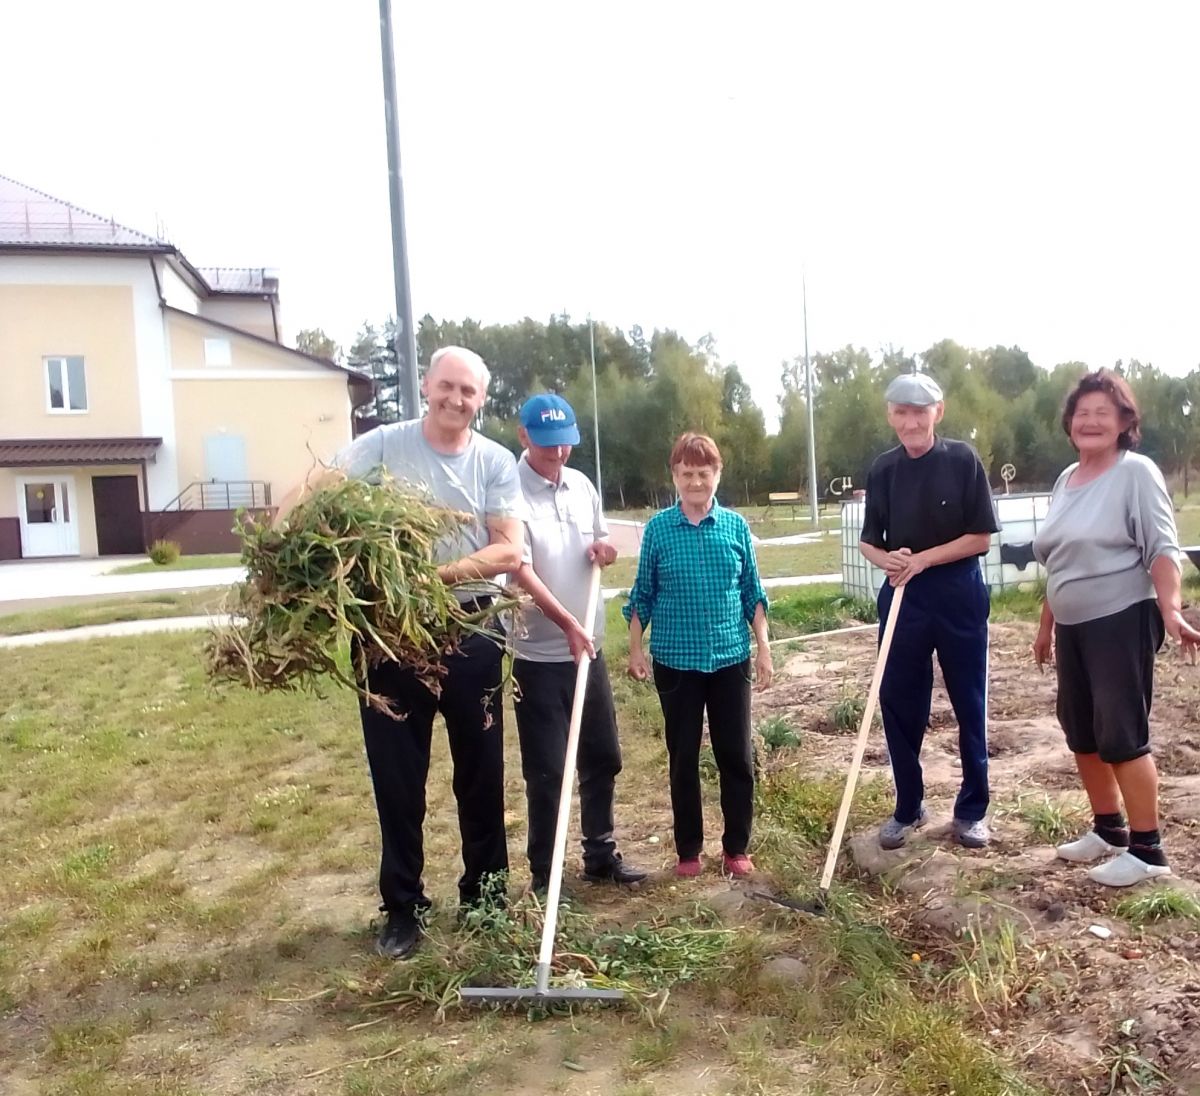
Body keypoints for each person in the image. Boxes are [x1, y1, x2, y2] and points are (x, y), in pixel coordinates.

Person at [281, 346, 523, 959]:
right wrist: (276, 532)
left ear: (481, 400)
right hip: (388, 632)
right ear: (427, 385)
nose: (455, 399)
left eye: (468, 391)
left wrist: (432, 579)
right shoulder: (384, 445)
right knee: (396, 778)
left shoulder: (493, 461)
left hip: (470, 628)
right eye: (447, 386)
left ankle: (486, 896)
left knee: (481, 772)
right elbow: (321, 483)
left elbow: (506, 552)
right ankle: (403, 909)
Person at [1032, 369, 1200, 887]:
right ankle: (1109, 830)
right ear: (1069, 422)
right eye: (1082, 413)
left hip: (1122, 618)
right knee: (1081, 730)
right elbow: (1059, 562)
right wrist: (1046, 626)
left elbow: (1162, 548)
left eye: (1104, 413)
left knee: (1121, 732)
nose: (1091, 421)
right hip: (1075, 625)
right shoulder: (1066, 479)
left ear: (1125, 421)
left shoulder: (1135, 473)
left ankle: (1149, 852)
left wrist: (1171, 609)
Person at [509, 393, 647, 892]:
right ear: (524, 437)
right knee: (546, 772)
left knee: (601, 756)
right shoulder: (510, 493)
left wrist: (603, 549)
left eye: (566, 444)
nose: (559, 454)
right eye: (548, 446)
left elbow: (601, 541)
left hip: (588, 649)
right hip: (539, 656)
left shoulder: (582, 485)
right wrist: (565, 622)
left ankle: (600, 855)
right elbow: (519, 572)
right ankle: (545, 876)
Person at [858, 372, 1000, 850]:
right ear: (890, 416)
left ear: (937, 412)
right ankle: (908, 805)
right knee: (898, 702)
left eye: (920, 411)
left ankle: (972, 810)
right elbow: (868, 543)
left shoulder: (961, 459)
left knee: (968, 701)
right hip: (903, 597)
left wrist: (922, 558)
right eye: (901, 412)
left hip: (957, 592)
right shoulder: (882, 469)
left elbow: (980, 537)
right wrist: (890, 559)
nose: (910, 421)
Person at [623, 432, 771, 878]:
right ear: (675, 476)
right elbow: (642, 595)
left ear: (717, 475)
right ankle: (689, 851)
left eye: (703, 474)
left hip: (730, 657)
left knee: (736, 756)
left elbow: (753, 594)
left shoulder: (735, 528)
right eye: (686, 474)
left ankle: (736, 848)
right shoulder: (658, 530)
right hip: (675, 660)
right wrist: (635, 648)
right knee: (683, 755)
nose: (695, 482)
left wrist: (763, 647)